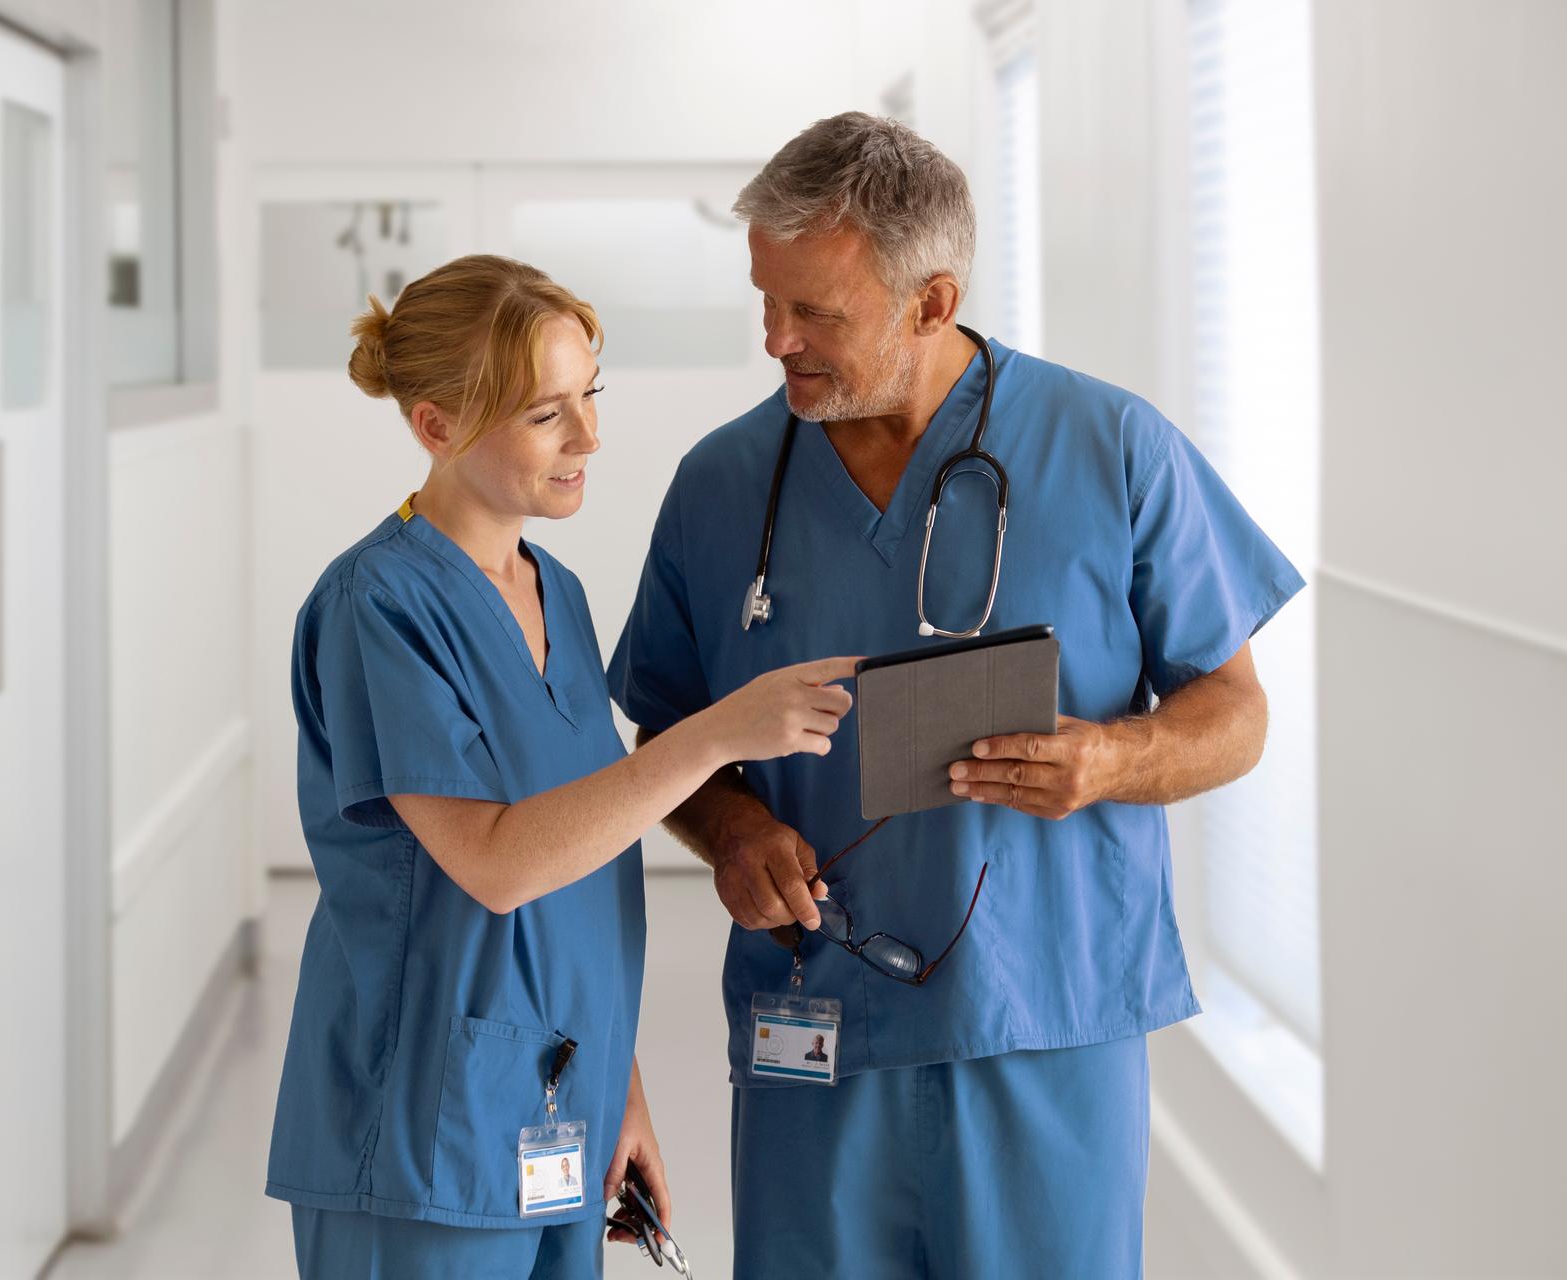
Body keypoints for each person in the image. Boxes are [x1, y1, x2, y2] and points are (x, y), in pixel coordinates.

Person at [608, 113, 1304, 1278]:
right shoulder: (724, 481)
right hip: (813, 1021)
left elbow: (1235, 711)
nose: (776, 339)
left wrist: (1113, 760)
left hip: (1045, 1020)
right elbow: (667, 728)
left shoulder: (1112, 446)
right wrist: (729, 828)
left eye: (814, 312)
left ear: (933, 301)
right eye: (764, 300)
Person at [263, 254, 859, 1280]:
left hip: (557, 1113)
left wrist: (615, 1088)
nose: (590, 436)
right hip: (427, 1126)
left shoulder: (560, 593)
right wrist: (715, 735)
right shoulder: (380, 606)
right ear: (436, 425)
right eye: (547, 414)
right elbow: (498, 863)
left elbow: (584, 859)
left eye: (591, 396)